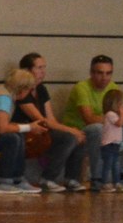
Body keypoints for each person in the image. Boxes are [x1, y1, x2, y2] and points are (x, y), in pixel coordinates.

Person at [63, 55, 123, 191]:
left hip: (109, 132)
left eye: (108, 73)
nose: (104, 77)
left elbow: (122, 112)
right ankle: (98, 178)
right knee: (98, 129)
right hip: (82, 132)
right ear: (91, 73)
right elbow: (89, 119)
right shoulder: (81, 88)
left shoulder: (113, 87)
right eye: (100, 73)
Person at [11, 51, 84, 191]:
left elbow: (51, 118)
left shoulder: (41, 89)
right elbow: (42, 120)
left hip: (41, 132)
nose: (43, 72)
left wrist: (73, 131)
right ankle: (48, 178)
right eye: (39, 68)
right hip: (26, 134)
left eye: (44, 67)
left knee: (79, 137)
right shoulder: (22, 92)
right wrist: (71, 130)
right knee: (70, 137)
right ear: (27, 71)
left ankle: (71, 178)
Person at [95, 88, 123, 191]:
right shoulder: (110, 114)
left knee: (116, 164)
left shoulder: (114, 115)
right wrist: (122, 114)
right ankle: (105, 183)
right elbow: (119, 124)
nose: (122, 105)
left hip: (115, 144)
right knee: (108, 164)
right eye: (120, 103)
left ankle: (117, 182)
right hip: (109, 144)